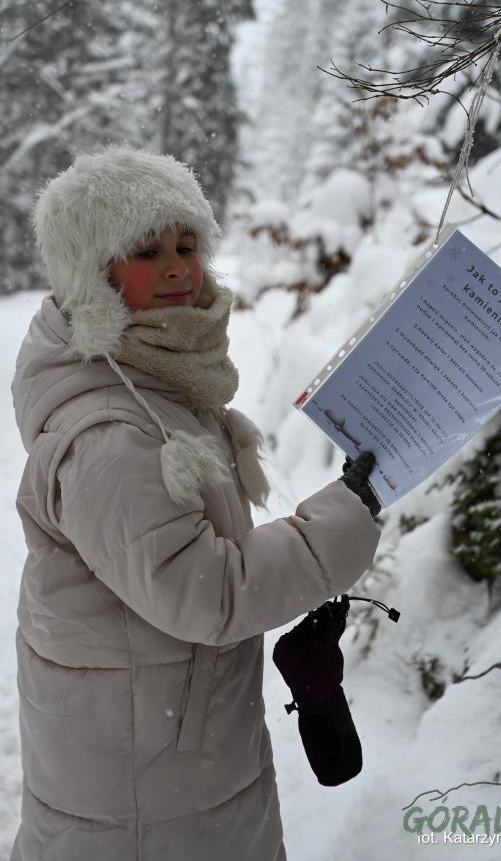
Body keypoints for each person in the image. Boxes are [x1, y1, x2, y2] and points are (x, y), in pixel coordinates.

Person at [9, 146, 382, 861]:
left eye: (187, 245)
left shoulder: (154, 381)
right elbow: (206, 594)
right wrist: (336, 525)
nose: (178, 268)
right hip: (144, 802)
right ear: (92, 274)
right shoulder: (112, 434)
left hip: (169, 759)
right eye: (147, 251)